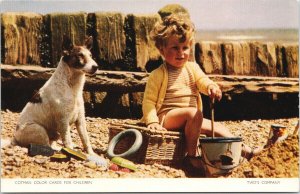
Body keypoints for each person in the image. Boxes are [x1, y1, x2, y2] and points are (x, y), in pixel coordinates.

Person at [142, 13, 260, 169]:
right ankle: (192, 156)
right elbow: (148, 101)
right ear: (162, 49)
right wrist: (153, 122)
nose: (181, 52)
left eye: (185, 47)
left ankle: (246, 152)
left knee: (219, 129)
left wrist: (211, 87)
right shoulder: (157, 74)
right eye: (175, 48)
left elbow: (202, 81)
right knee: (194, 113)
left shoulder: (192, 68)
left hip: (192, 119)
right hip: (167, 117)